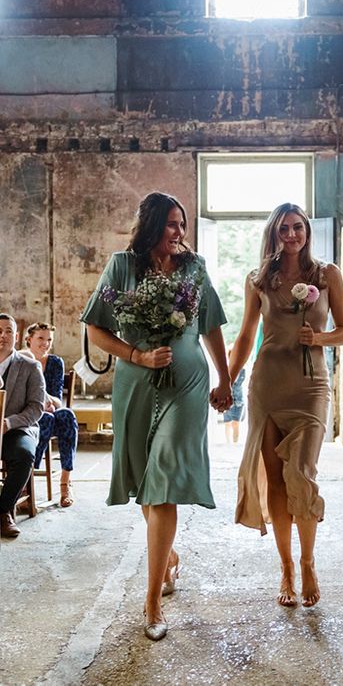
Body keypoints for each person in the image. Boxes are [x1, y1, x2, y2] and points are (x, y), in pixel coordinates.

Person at [81, 192, 231, 641]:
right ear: (150, 225)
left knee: (163, 476)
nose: (179, 233)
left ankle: (150, 604)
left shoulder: (193, 267)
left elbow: (211, 325)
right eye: (170, 224)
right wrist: (138, 356)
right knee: (145, 481)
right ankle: (166, 558)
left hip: (186, 383)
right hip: (136, 381)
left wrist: (225, 380)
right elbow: (96, 329)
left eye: (182, 224)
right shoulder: (121, 266)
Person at [229, 202, 343, 609]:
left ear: (307, 231)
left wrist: (319, 339)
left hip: (311, 386)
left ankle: (309, 560)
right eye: (284, 229)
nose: (292, 235)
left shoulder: (327, 274)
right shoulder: (259, 279)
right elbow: (246, 336)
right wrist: (226, 379)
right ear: (273, 233)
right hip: (267, 385)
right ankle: (285, 567)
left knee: (302, 474)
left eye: (298, 227)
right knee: (277, 481)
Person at [23, 322, 79, 507]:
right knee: (45, 418)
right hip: (30, 415)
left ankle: (65, 484)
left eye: (49, 340)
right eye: (41, 338)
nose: (45, 343)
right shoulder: (21, 361)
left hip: (51, 412)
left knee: (67, 416)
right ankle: (25, 484)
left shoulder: (55, 363)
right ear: (29, 340)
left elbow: (57, 400)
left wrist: (49, 401)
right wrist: (42, 400)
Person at [0, 314, 45, 539]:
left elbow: (36, 408)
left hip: (16, 429)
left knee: (24, 455)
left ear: (17, 337)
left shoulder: (30, 366)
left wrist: (8, 423)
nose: (3, 336)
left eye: (8, 331)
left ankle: (3, 512)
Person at [224, 347, 246, 444]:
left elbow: (238, 383)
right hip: (227, 398)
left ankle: (235, 443)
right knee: (227, 423)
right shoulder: (225, 370)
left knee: (236, 423)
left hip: (238, 401)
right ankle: (228, 443)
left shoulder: (242, 370)